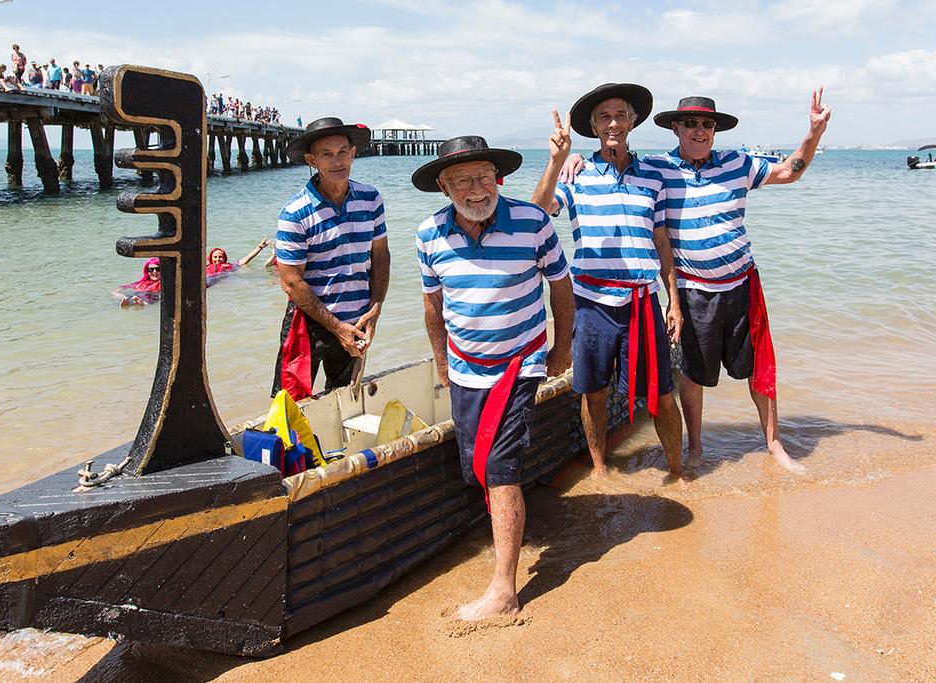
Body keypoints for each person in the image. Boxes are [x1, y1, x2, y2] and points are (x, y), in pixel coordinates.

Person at [563, 89, 831, 474]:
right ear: (676, 128)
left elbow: (790, 170)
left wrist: (814, 132)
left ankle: (774, 445)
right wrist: (572, 159)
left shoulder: (738, 163)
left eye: (707, 124)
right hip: (691, 287)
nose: (699, 130)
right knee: (691, 372)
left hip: (741, 282)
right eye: (690, 123)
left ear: (716, 130)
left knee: (760, 367)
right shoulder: (658, 170)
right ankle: (695, 450)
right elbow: (617, 163)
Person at [413, 135, 573, 621]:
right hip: (465, 369)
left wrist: (561, 349)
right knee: (479, 467)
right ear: (444, 186)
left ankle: (504, 591)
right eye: (463, 180)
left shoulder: (533, 222)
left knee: (500, 467)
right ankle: (511, 535)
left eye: (484, 176)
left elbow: (561, 289)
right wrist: (442, 364)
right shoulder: (428, 235)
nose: (477, 189)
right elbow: (432, 306)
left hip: (520, 364)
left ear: (498, 177)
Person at [533, 83, 683, 477]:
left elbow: (662, 239)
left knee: (664, 395)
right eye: (604, 116)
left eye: (620, 115)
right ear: (594, 126)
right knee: (593, 393)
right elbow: (539, 212)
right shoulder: (576, 174)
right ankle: (600, 469)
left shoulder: (653, 175)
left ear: (633, 122)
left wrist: (675, 302)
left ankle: (677, 470)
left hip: (642, 301)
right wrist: (557, 160)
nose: (613, 123)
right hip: (592, 303)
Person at [272, 117, 390, 399]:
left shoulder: (371, 198)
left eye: (342, 153)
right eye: (327, 154)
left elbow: (381, 256)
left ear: (353, 154)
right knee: (290, 403)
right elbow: (290, 282)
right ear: (312, 160)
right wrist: (336, 328)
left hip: (357, 320)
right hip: (308, 323)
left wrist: (375, 307)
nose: (337, 162)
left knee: (346, 399)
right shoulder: (295, 212)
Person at [206, 237, 271, 278]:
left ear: (224, 258)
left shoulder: (230, 266)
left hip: (217, 280)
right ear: (211, 258)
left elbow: (247, 258)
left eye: (220, 257)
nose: (217, 259)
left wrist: (260, 247)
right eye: (215, 257)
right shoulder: (205, 267)